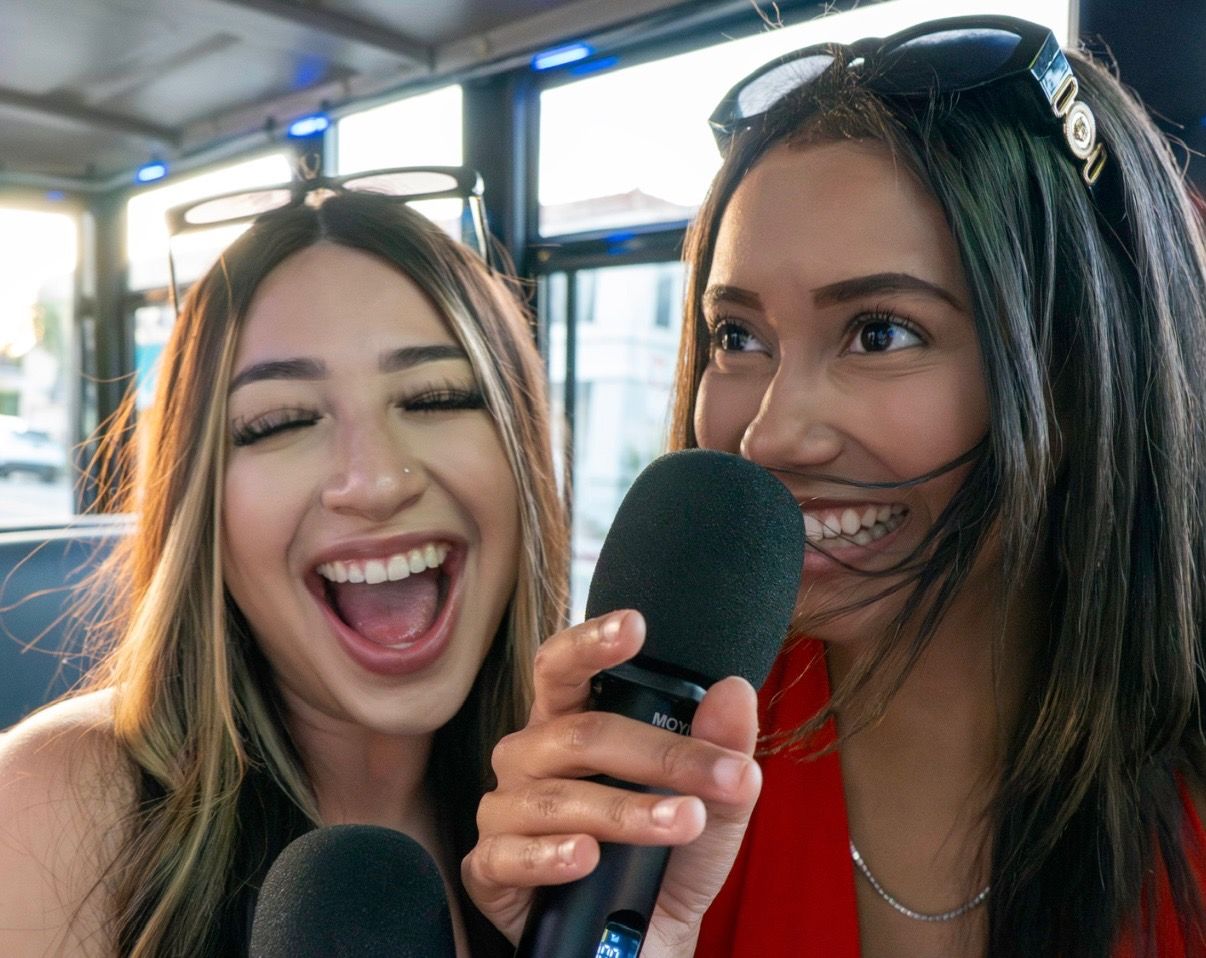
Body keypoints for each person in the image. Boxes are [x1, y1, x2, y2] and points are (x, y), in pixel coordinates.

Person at [465, 15, 1206, 958]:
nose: (768, 432)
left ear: (1086, 365)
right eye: (737, 337)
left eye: (880, 332)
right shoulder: (674, 776)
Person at [0, 188, 581, 957]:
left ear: (524, 457)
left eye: (435, 397)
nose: (373, 482)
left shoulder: (590, 827)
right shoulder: (57, 807)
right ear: (201, 507)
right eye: (282, 422)